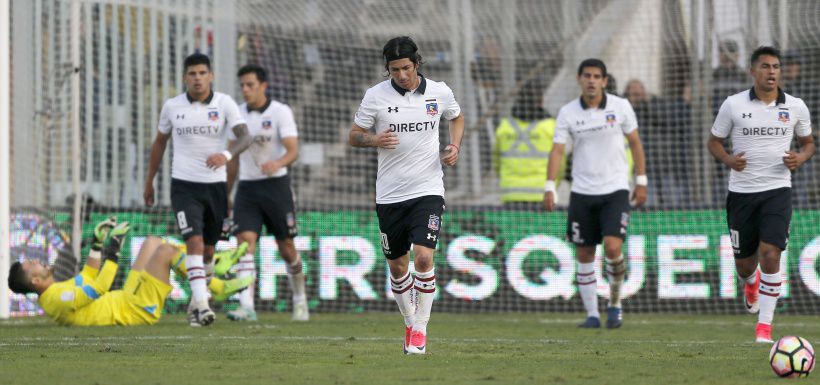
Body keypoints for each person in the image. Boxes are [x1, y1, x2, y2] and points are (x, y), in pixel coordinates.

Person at [349, 36, 464, 355]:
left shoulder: (440, 92)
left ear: (417, 64)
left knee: (424, 257)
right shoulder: (375, 96)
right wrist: (374, 140)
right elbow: (354, 136)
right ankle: (409, 320)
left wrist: (454, 146)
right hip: (389, 194)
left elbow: (456, 116)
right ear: (387, 69)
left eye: (406, 68)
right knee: (398, 269)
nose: (401, 75)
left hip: (427, 189)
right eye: (394, 70)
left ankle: (420, 330)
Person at [707, 46, 815, 343]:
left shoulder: (795, 106)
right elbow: (714, 141)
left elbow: (808, 143)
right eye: (765, 66)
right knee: (745, 265)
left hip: (777, 191)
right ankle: (750, 283)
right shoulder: (732, 104)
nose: (771, 72)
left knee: (771, 254)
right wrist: (729, 160)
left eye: (776, 67)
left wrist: (800, 158)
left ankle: (764, 328)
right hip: (741, 193)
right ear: (753, 71)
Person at [143, 53, 252, 327]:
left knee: (208, 251)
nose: (197, 78)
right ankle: (203, 306)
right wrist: (149, 180)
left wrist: (225, 156)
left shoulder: (224, 103)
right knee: (193, 242)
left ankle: (195, 304)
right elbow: (159, 143)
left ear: (211, 76)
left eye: (202, 73)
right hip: (183, 185)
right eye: (192, 74)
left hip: (215, 187)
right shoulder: (172, 106)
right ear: (185, 77)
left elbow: (245, 137)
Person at [543, 58, 647, 329]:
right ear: (579, 79)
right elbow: (557, 150)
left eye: (596, 76)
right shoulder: (567, 112)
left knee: (613, 248)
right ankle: (592, 314)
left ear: (604, 80)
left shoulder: (621, 106)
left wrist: (642, 180)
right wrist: (550, 186)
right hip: (581, 192)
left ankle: (615, 303)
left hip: (615, 190)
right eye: (587, 75)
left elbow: (635, 143)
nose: (591, 80)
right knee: (585, 254)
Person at [6, 218, 251, 326]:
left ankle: (213, 274)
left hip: (126, 298)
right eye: (32, 265)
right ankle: (215, 285)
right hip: (135, 309)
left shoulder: (56, 291)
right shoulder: (57, 299)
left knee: (153, 242)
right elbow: (98, 287)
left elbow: (87, 277)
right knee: (165, 252)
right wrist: (113, 253)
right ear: (36, 280)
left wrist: (98, 243)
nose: (37, 261)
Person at [225, 64, 308, 322]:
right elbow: (232, 157)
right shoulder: (236, 115)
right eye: (242, 85)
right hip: (247, 189)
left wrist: (278, 163)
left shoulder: (280, 111)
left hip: (276, 187)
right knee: (244, 246)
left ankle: (300, 300)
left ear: (263, 86)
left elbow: (293, 150)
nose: (245, 90)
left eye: (250, 85)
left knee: (286, 248)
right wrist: (226, 193)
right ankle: (246, 306)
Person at [493, 82, 565, 203]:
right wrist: (553, 185)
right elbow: (560, 163)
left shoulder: (504, 127)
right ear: (541, 101)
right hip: (542, 194)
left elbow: (496, 162)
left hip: (511, 193)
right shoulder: (551, 127)